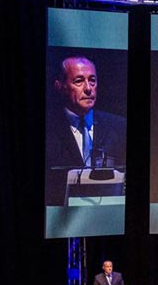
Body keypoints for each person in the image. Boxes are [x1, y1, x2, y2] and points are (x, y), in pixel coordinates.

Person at [45, 55, 127, 206]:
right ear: (60, 86)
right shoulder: (48, 129)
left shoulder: (119, 127)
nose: (88, 88)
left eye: (92, 80)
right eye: (79, 81)